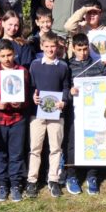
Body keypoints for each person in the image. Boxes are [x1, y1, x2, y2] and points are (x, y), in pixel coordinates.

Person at [26, 32, 71, 198]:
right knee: (35, 148)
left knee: (55, 148)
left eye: (53, 46)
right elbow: (31, 87)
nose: (50, 49)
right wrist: (33, 96)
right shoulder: (35, 65)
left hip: (57, 114)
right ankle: (32, 180)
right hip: (37, 114)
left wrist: (64, 101)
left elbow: (66, 87)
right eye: (47, 46)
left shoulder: (63, 67)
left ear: (57, 47)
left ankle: (53, 179)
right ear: (41, 46)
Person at [64, 33, 106, 195]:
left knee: (95, 141)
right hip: (75, 113)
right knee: (72, 144)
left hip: (94, 113)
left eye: (85, 49)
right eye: (79, 49)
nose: (83, 53)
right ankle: (71, 176)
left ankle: (92, 176)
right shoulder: (67, 66)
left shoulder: (98, 65)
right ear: (73, 48)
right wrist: (70, 92)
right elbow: (63, 88)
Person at [0, 41, 32, 202]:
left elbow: (28, 96)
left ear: (14, 54)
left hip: (18, 119)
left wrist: (21, 103)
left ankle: (15, 185)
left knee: (16, 154)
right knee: (0, 154)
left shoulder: (22, 71)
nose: (7, 59)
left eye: (9, 55)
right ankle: (2, 185)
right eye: (3, 56)